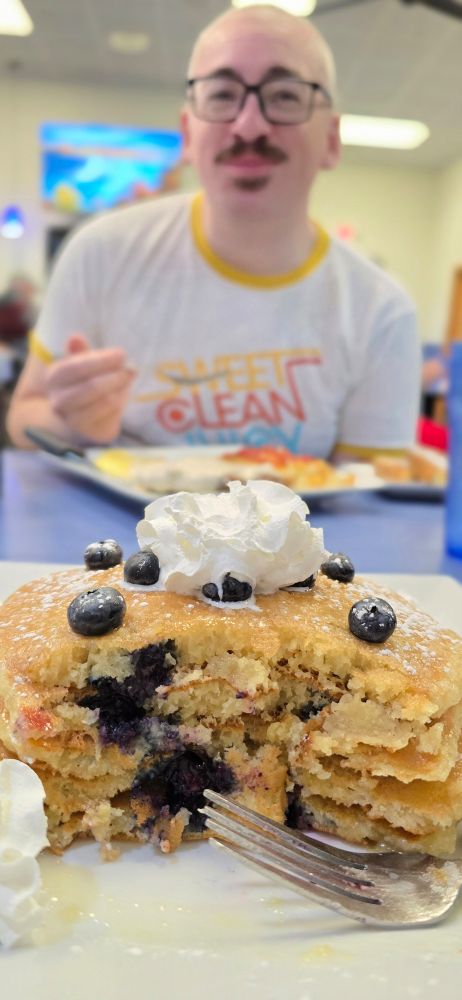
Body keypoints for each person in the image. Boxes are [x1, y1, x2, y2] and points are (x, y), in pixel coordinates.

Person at [7, 3, 421, 458]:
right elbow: (23, 417)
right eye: (222, 95)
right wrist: (71, 423)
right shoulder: (100, 253)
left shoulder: (382, 312)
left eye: (285, 96)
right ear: (187, 134)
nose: (249, 125)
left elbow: (370, 505)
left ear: (331, 139)